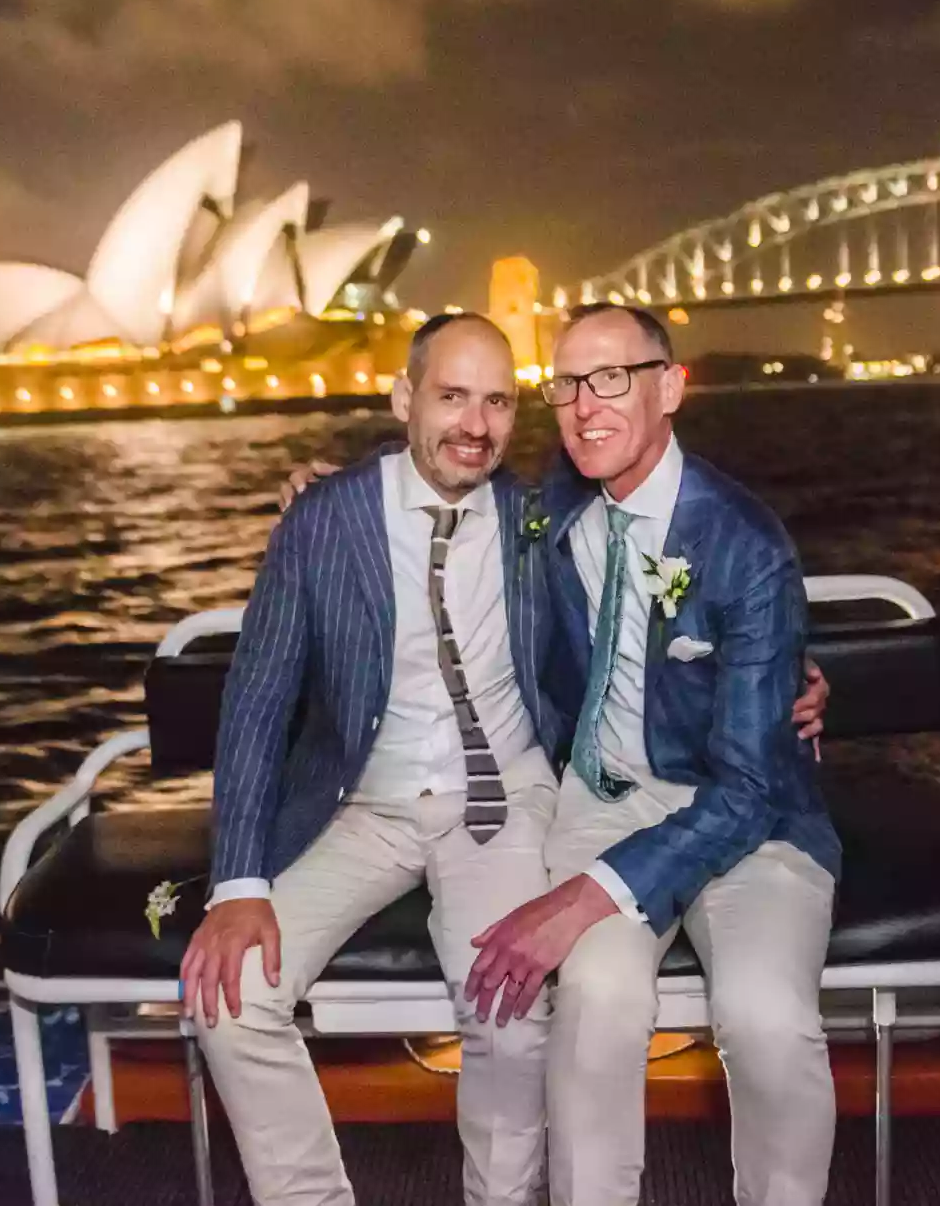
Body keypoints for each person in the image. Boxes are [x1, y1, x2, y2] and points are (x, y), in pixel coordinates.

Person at [462, 302, 840, 1206]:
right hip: (604, 801)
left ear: (670, 387)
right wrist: (330, 488)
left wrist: (582, 895)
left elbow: (748, 786)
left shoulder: (746, 544)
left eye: (611, 378)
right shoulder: (555, 506)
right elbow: (452, 485)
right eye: (565, 384)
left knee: (768, 1017)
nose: (584, 404)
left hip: (750, 816)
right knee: (596, 1000)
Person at [183, 313, 563, 1206]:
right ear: (404, 399)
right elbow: (258, 700)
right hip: (361, 804)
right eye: (453, 395)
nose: (476, 423)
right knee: (230, 1001)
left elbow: (658, 584)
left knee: (510, 1017)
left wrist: (783, 662)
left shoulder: (540, 518)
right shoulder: (325, 519)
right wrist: (237, 884)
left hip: (500, 798)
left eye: (498, 401)